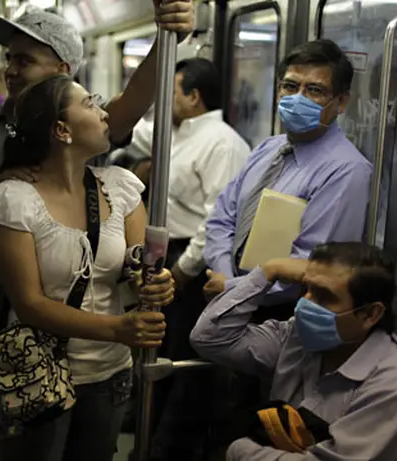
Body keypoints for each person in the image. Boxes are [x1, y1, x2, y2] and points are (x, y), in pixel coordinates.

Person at [0, 2, 195, 432]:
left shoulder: (82, 126)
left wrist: (171, 35)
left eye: (25, 60)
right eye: (8, 59)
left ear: (62, 70)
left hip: (83, 342)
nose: (10, 70)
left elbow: (132, 101)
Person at [0, 73, 173, 461]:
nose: (104, 114)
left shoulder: (119, 187)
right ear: (60, 129)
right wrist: (118, 328)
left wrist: (154, 284)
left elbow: (137, 268)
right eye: (90, 104)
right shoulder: (12, 201)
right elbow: (30, 303)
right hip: (40, 372)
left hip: (110, 372)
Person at [190, 242, 397, 461]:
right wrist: (269, 271)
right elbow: (209, 338)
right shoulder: (298, 340)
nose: (305, 304)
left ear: (370, 314)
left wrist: (239, 450)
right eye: (306, 289)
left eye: (324, 297)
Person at [127, 57, 251, 460]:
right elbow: (133, 135)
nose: (166, 101)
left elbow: (216, 218)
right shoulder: (177, 132)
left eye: (173, 91)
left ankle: (171, 445)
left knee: (182, 357)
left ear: (194, 97)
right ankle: (147, 423)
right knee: (156, 346)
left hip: (190, 262)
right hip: (165, 254)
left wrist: (184, 269)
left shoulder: (222, 142)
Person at [202, 39, 372, 314]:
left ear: (341, 102)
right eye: (290, 86)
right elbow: (222, 218)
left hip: (280, 312)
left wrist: (234, 289)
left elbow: (312, 266)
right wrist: (224, 277)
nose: (298, 98)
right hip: (226, 292)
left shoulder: (346, 171)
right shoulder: (269, 148)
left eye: (314, 90)